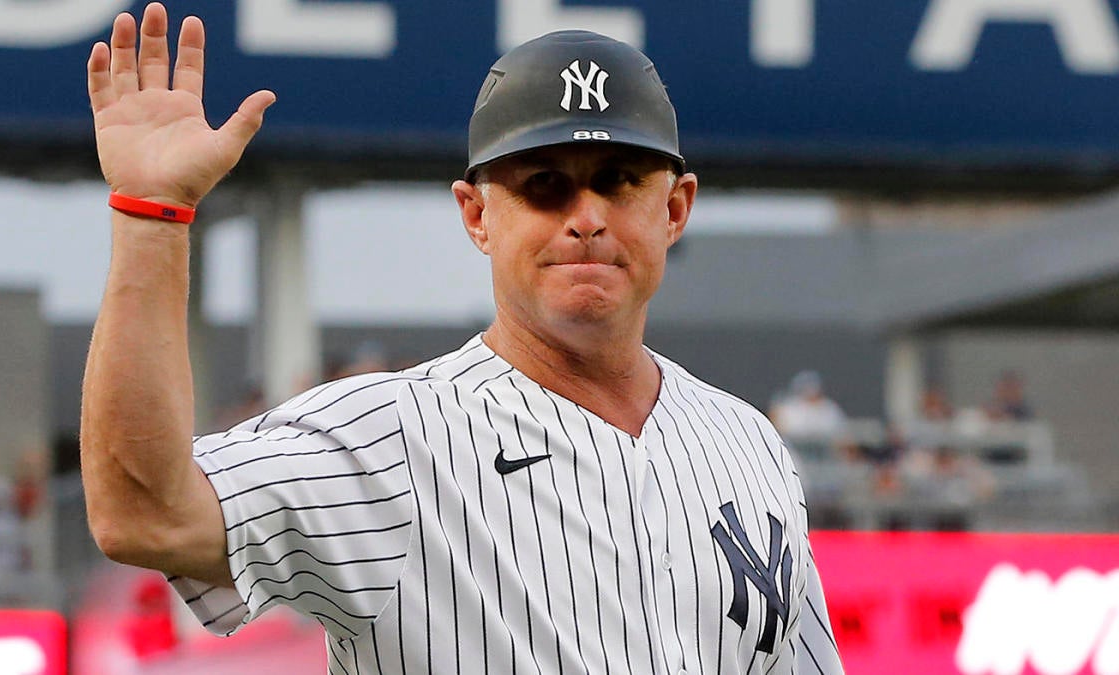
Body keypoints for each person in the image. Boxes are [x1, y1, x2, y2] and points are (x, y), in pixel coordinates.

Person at [80, 4, 844, 673]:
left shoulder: (746, 443)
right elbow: (145, 514)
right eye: (543, 183)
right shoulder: (389, 441)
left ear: (674, 209)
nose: (585, 214)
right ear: (477, 214)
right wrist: (151, 216)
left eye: (617, 180)